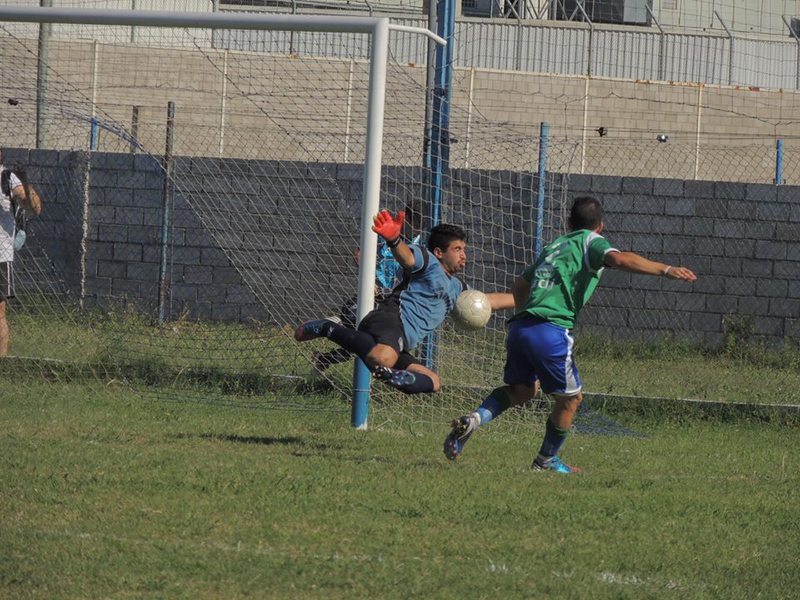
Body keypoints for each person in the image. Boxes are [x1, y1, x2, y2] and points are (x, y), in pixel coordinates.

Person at [443, 196, 697, 472]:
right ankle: (546, 461)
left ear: (568, 223)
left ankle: (475, 419)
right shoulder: (590, 241)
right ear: (600, 226)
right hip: (550, 331)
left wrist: (528, 308)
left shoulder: (554, 246)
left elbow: (521, 284)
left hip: (520, 327)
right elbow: (620, 259)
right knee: (572, 399)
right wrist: (666, 269)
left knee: (524, 389)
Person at [295, 209, 514, 394]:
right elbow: (407, 257)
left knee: (432, 381)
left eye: (464, 249)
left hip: (401, 340)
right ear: (439, 252)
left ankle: (391, 376)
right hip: (391, 320)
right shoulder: (427, 261)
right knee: (383, 357)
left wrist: (526, 299)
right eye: (457, 249)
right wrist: (394, 240)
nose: (463, 255)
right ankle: (327, 327)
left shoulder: (458, 288)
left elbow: (488, 301)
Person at [312, 236, 421, 374]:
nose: (415, 224)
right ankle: (336, 328)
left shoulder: (421, 243)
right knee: (362, 337)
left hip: (392, 303)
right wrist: (370, 280)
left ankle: (325, 355)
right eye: (411, 217)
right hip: (371, 297)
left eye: (418, 220)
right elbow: (359, 253)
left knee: (365, 343)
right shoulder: (389, 236)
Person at [0, 150, 43, 357]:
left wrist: (25, 184)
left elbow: (33, 208)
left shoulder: (7, 178)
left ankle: (3, 359)